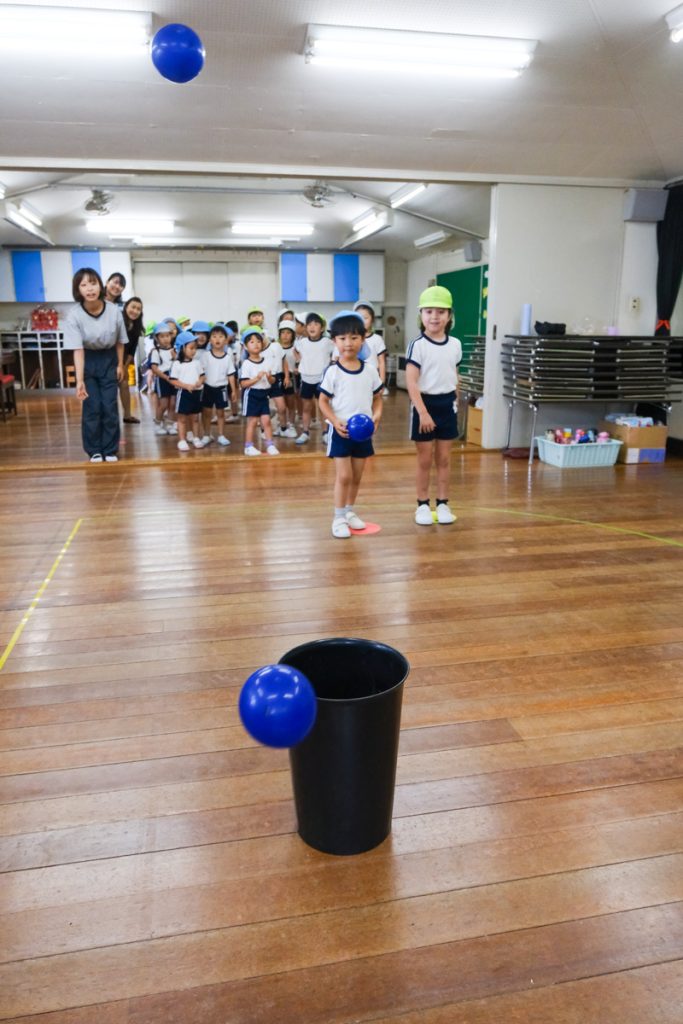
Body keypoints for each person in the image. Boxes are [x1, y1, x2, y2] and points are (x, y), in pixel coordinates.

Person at [318, 310, 383, 539]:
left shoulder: (370, 371)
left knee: (356, 476)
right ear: (334, 341)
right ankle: (338, 517)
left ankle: (349, 511)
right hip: (341, 432)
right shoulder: (333, 372)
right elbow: (322, 401)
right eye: (343, 338)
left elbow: (378, 398)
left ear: (363, 339)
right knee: (344, 476)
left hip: (363, 434)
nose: (348, 343)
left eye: (354, 337)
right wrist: (335, 421)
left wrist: (377, 415)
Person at [405, 285, 462, 526]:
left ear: (449, 316)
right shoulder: (418, 345)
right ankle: (422, 505)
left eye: (441, 312)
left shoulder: (455, 344)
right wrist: (423, 413)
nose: (434, 317)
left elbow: (454, 374)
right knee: (425, 460)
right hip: (424, 405)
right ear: (421, 315)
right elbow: (411, 381)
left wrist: (456, 399)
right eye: (429, 311)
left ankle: (443, 503)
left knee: (445, 459)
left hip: (447, 405)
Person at [63, 267, 126, 463]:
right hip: (87, 359)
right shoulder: (74, 315)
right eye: (83, 285)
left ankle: (110, 449)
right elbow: (78, 349)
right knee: (92, 406)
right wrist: (79, 380)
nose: (89, 289)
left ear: (100, 285)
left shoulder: (114, 311)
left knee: (109, 405)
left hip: (109, 359)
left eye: (93, 283)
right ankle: (94, 450)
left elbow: (120, 341)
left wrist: (120, 364)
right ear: (78, 290)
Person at [294, 312, 333, 445]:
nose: (312, 327)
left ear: (322, 328)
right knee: (306, 407)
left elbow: (336, 352)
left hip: (322, 381)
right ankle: (305, 432)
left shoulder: (327, 342)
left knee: (323, 408)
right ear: (306, 328)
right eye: (309, 324)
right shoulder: (302, 342)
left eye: (316, 324)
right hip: (306, 379)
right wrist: (299, 362)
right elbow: (295, 351)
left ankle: (325, 433)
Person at [239, 326, 279, 456]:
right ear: (246, 347)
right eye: (252, 342)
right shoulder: (246, 364)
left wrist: (270, 377)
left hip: (264, 394)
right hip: (251, 395)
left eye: (258, 341)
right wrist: (256, 378)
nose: (256, 344)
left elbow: (273, 381)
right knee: (252, 421)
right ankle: (248, 446)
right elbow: (243, 383)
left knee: (266, 420)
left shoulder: (267, 361)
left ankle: (270, 445)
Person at [199, 323, 237, 446]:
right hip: (207, 388)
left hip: (222, 389)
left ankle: (221, 435)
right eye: (214, 336)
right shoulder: (205, 356)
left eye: (221, 336)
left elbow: (231, 375)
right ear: (210, 340)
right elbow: (201, 372)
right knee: (206, 413)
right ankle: (206, 435)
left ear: (226, 340)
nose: (217, 339)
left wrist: (233, 390)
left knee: (221, 413)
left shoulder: (227, 358)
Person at [169, 331, 206, 452]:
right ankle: (182, 440)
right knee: (182, 419)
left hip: (196, 393)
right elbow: (173, 380)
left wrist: (200, 381)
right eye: (191, 348)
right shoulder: (177, 364)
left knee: (195, 418)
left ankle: (195, 437)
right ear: (182, 348)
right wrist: (185, 386)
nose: (194, 351)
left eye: (195, 348)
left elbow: (202, 376)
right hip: (183, 394)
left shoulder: (197, 363)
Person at [149, 322, 177, 435]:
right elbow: (154, 368)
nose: (165, 339)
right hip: (162, 379)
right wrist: (165, 377)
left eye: (167, 336)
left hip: (174, 378)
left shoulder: (174, 350)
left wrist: (176, 358)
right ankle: (157, 424)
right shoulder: (156, 351)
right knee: (163, 404)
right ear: (157, 338)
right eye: (162, 336)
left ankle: (170, 424)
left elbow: (179, 364)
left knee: (173, 404)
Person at [354, 302, 388, 394]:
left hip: (373, 380)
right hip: (354, 379)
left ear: (372, 319)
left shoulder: (377, 339)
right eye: (359, 318)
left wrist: (382, 383)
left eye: (365, 318)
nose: (362, 321)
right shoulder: (351, 338)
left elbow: (382, 362)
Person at [120, 296, 144, 423]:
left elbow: (132, 351)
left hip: (124, 359)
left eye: (138, 309)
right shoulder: (118, 321)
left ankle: (127, 415)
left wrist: (124, 366)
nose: (135, 311)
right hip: (110, 357)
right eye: (133, 307)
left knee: (124, 384)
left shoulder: (136, 327)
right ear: (126, 307)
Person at [277, 319, 298, 437]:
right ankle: (281, 425)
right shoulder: (276, 348)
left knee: (290, 403)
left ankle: (291, 424)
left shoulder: (295, 349)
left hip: (291, 377)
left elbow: (299, 362)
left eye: (288, 333)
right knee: (280, 404)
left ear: (293, 335)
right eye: (283, 332)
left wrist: (297, 369)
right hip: (278, 377)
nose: (285, 335)